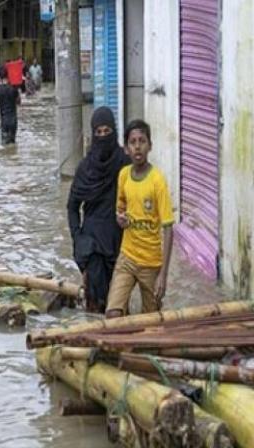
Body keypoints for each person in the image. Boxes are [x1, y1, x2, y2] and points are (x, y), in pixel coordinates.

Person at [105, 119, 174, 319]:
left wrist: (164, 275)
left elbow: (168, 228)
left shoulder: (157, 181)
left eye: (142, 141)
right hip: (127, 257)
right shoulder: (124, 175)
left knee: (150, 322)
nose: (137, 146)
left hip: (151, 263)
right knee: (113, 313)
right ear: (126, 148)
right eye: (133, 142)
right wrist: (120, 219)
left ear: (149, 146)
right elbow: (120, 210)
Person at [67, 107, 130, 313]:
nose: (103, 136)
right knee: (95, 306)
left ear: (114, 131)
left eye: (107, 131)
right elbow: (73, 206)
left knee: (118, 304)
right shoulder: (85, 168)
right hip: (92, 243)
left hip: (119, 241)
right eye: (98, 132)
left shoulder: (125, 164)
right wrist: (78, 237)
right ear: (93, 134)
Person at [0, 69, 21, 146]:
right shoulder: (13, 89)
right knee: (12, 144)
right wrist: (17, 91)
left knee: (4, 145)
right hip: (13, 121)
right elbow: (19, 102)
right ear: (8, 76)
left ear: (0, 78)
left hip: (4, 121)